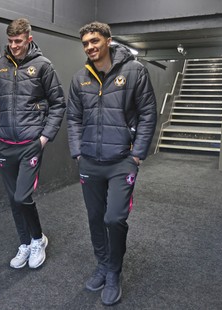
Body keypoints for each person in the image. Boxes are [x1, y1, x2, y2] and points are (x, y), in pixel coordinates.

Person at [67, 22, 157, 305]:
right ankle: (102, 265)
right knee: (95, 218)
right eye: (85, 44)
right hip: (90, 162)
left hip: (122, 161)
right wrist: (78, 152)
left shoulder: (134, 71)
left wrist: (137, 154)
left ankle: (114, 272)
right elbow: (72, 118)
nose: (90, 47)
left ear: (108, 40)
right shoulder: (80, 77)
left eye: (95, 41)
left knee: (114, 218)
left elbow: (147, 113)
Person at [0, 18, 66, 269]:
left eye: (18, 41)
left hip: (30, 142)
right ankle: (25, 242)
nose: (13, 46)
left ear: (29, 39)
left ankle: (38, 239)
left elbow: (58, 104)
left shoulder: (43, 66)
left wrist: (43, 138)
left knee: (22, 195)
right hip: (5, 144)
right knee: (12, 198)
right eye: (10, 41)